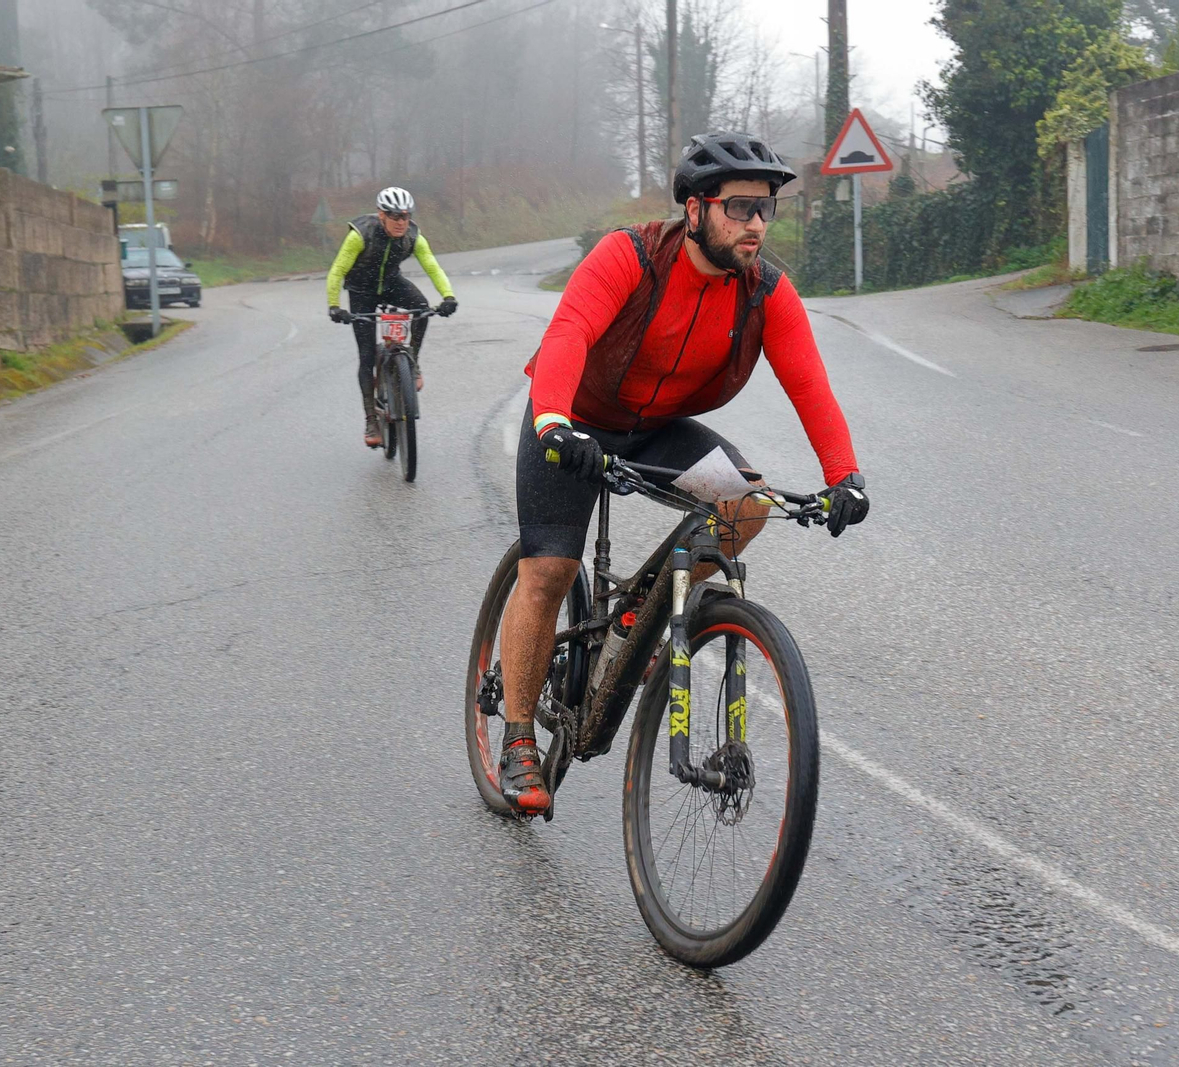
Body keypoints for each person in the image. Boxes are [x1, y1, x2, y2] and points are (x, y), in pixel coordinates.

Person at [495, 132, 871, 816]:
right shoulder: (630, 255)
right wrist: (553, 420)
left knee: (747, 505)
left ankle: (637, 623)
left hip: (657, 427)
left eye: (766, 208)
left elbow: (810, 386)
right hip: (576, 418)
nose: (756, 223)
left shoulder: (764, 292)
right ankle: (519, 737)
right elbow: (568, 333)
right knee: (548, 569)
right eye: (740, 207)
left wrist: (844, 475)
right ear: (695, 211)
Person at [327, 187, 458, 447]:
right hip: (361, 291)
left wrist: (448, 297)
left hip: (391, 284)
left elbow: (432, 266)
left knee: (421, 307)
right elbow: (337, 270)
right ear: (381, 215)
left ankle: (413, 363)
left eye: (406, 216)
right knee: (366, 357)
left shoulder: (413, 236)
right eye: (395, 216)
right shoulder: (360, 234)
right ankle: (370, 420)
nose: (401, 222)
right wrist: (334, 306)